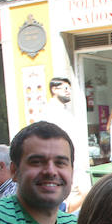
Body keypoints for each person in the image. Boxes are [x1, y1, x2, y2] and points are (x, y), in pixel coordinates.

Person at [40, 77, 91, 211]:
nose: (69, 92)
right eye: (65, 88)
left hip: (73, 165)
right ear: (54, 89)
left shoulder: (63, 112)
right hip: (64, 166)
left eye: (70, 88)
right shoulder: (50, 112)